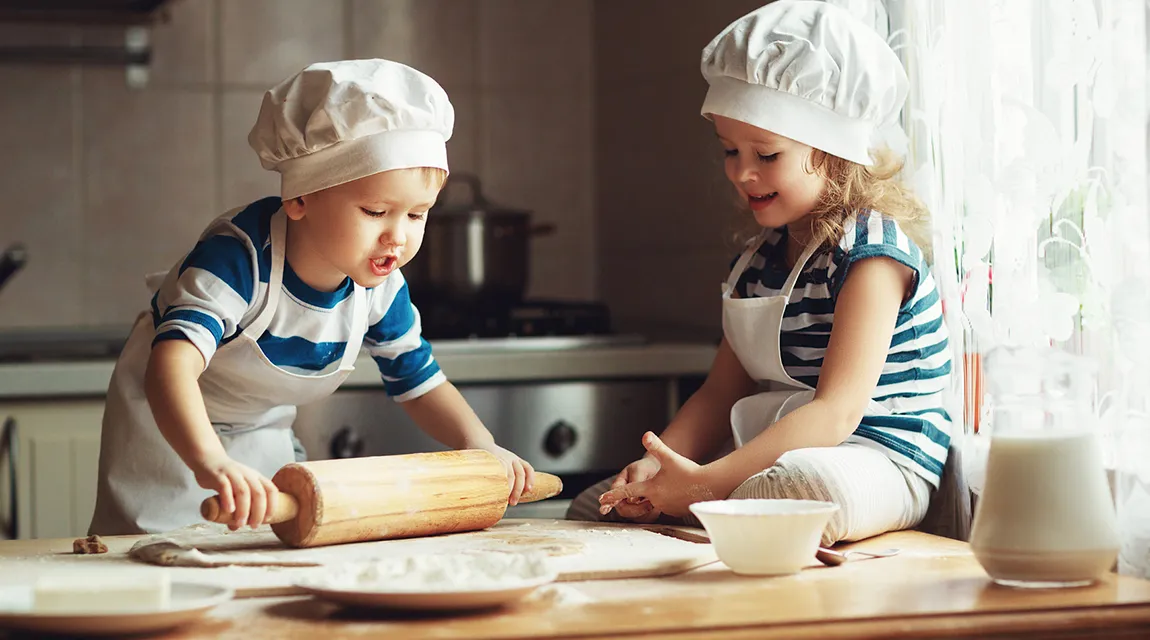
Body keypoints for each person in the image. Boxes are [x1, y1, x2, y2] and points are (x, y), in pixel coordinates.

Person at [90, 59, 535, 536]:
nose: (397, 238)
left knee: (259, 568)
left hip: (262, 432)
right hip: (169, 428)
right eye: (377, 210)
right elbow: (170, 369)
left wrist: (479, 444)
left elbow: (419, 382)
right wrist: (210, 461)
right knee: (161, 566)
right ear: (300, 198)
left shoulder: (379, 285)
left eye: (417, 215)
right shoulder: (239, 259)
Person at [567, 0, 953, 545]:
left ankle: (702, 516)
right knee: (595, 503)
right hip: (786, 456)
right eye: (729, 150)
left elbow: (836, 413)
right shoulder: (759, 260)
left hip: (878, 460)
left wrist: (705, 486)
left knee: (798, 490)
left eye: (766, 154)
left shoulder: (874, 252)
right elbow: (719, 393)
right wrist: (663, 467)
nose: (742, 172)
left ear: (836, 153)